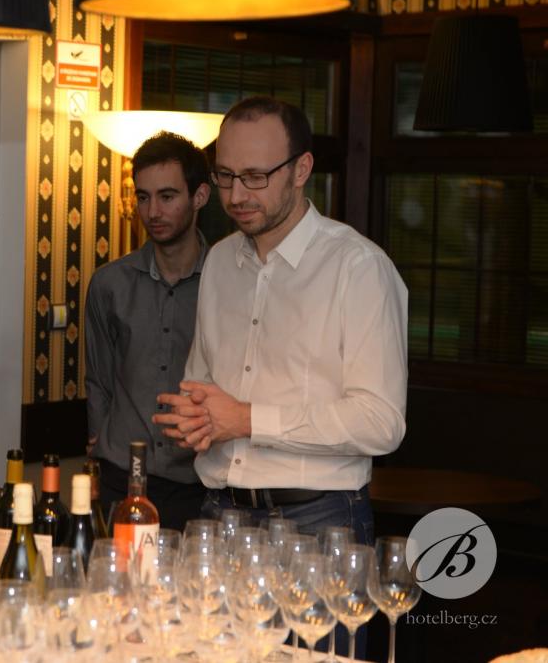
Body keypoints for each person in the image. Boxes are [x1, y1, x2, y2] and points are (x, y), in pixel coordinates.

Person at [154, 95, 408, 545]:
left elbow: (380, 422)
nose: (236, 196)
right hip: (218, 510)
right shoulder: (219, 261)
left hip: (318, 519)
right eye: (225, 176)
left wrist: (248, 420)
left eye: (255, 177)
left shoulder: (358, 267)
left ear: (301, 169)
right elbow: (203, 384)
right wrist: (195, 417)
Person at [84, 131, 212, 532]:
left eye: (167, 196)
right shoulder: (109, 284)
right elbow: (99, 378)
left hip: (198, 482)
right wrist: (99, 439)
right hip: (120, 475)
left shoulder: (228, 285)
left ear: (200, 196)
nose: (152, 211)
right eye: (143, 197)